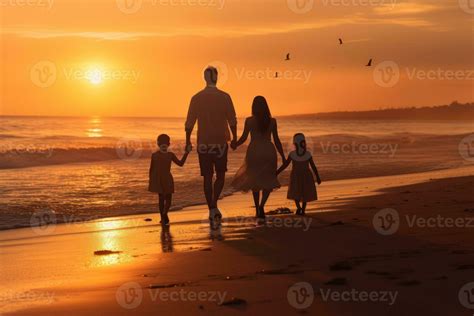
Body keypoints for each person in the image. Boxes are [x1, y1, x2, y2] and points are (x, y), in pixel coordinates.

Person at [185, 66, 237, 221]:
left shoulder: (196, 97)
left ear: (204, 78)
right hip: (220, 143)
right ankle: (214, 204)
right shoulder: (225, 97)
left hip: (204, 143)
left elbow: (189, 122)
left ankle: (212, 207)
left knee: (207, 176)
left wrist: (188, 141)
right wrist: (235, 138)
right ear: (217, 77)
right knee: (220, 175)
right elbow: (232, 119)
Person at [231, 96, 285, 219]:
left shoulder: (249, 121)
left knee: (254, 180)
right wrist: (282, 155)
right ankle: (262, 206)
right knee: (268, 179)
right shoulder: (272, 121)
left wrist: (235, 144)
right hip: (268, 151)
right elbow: (276, 140)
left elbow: (244, 138)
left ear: (253, 107)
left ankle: (257, 208)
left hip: (254, 151)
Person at [277, 133, 322, 215]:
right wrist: (317, 177)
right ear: (303, 141)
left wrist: (277, 172)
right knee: (304, 193)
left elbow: (285, 165)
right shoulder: (307, 154)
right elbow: (313, 167)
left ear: (294, 143)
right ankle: (302, 209)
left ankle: (299, 208)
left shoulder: (293, 154)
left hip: (296, 175)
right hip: (306, 175)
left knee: (295, 192)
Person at [148, 134, 189, 225]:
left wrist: (151, 180)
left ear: (158, 143)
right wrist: (186, 153)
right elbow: (181, 164)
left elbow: (151, 169)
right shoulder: (170, 155)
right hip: (167, 178)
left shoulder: (154, 155)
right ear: (169, 144)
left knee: (161, 199)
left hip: (159, 179)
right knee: (168, 199)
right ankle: (164, 214)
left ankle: (163, 217)